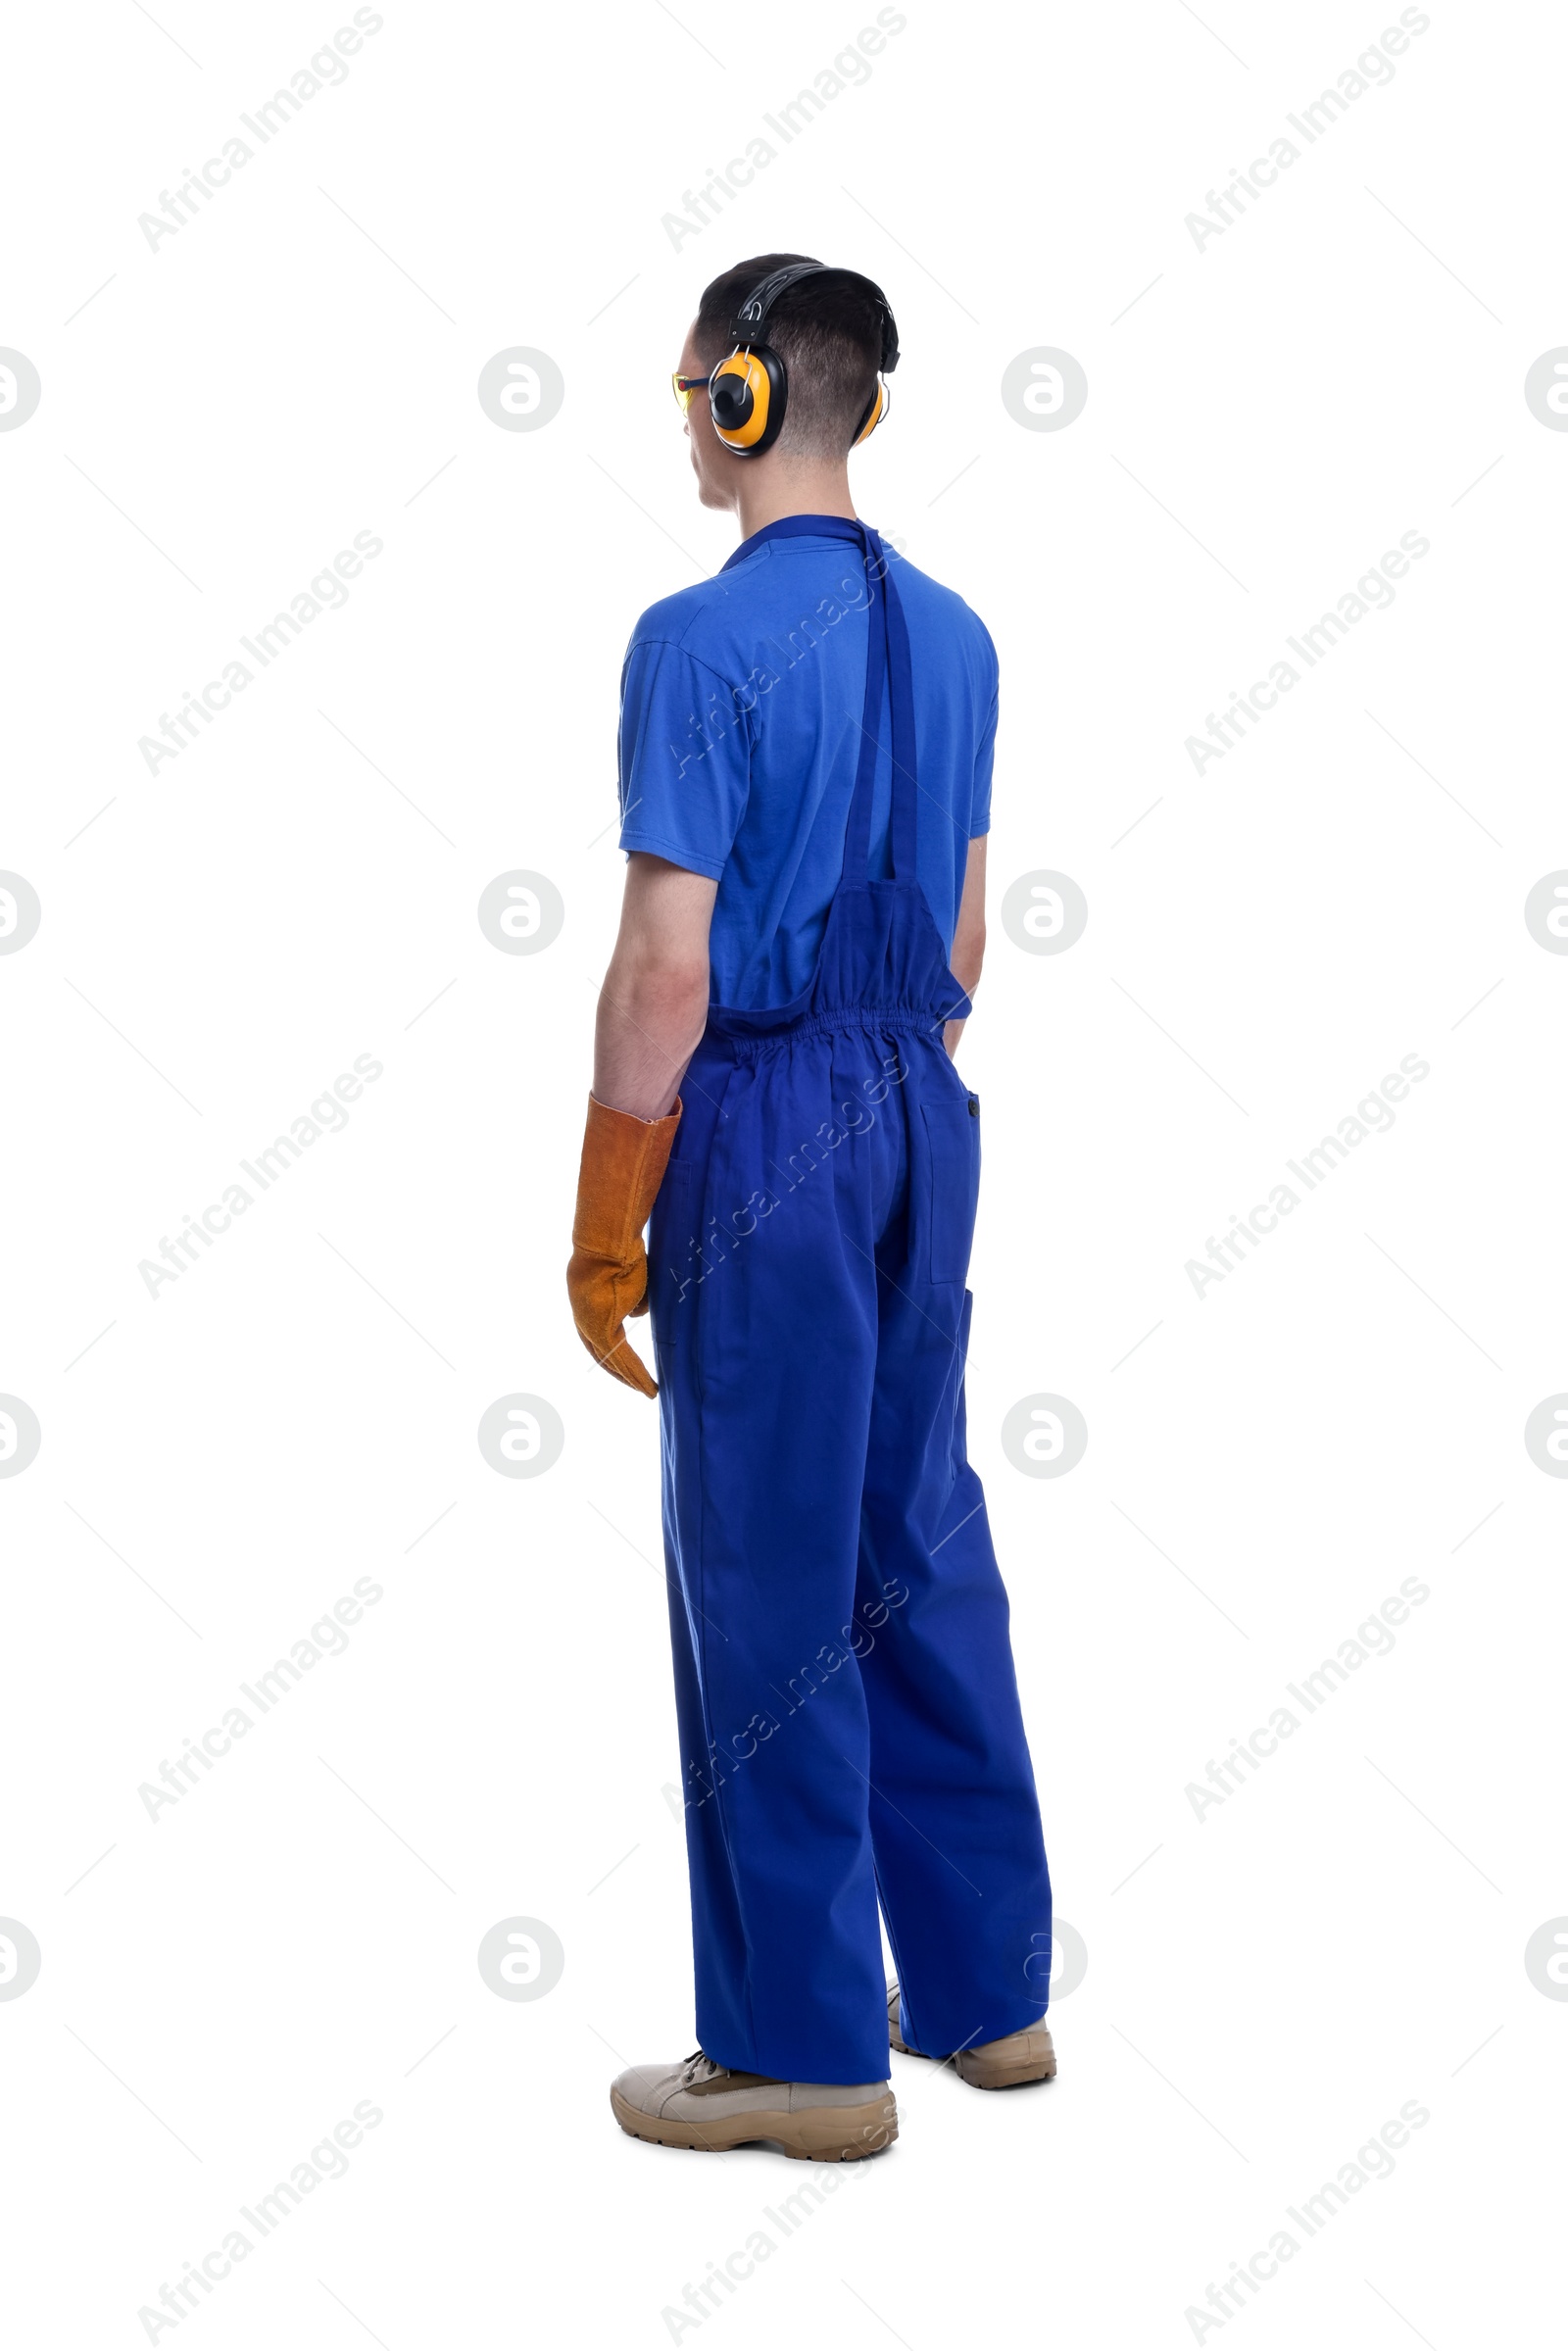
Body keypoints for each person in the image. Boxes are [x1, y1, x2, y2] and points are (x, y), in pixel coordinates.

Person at [567, 256, 1054, 2162]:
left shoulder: (691, 645)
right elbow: (960, 935)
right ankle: (988, 2004)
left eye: (691, 383)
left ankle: (800, 2056)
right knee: (910, 1539)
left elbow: (661, 975)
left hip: (761, 1112)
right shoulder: (958, 634)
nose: (684, 412)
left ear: (746, 399)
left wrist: (611, 1209)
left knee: (763, 1566)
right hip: (919, 1104)